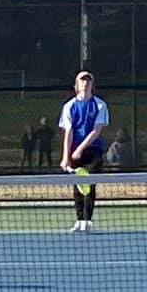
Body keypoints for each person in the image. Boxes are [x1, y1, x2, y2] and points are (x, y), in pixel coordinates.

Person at [59, 70, 109, 232]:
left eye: (88, 80)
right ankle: (79, 219)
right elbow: (69, 132)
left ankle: (88, 220)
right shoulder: (69, 106)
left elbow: (96, 131)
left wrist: (80, 149)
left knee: (89, 183)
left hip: (93, 151)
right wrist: (66, 157)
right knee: (77, 186)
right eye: (82, 80)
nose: (85, 83)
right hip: (74, 152)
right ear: (76, 85)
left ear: (92, 85)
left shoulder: (100, 105)